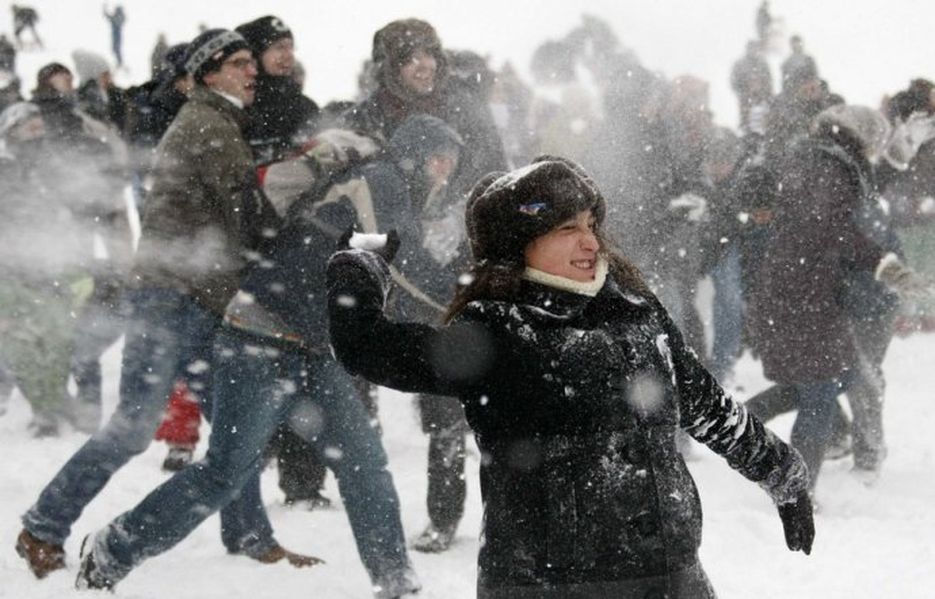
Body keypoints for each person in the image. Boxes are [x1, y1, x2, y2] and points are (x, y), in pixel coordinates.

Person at [327, 156, 814, 598]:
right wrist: (359, 269)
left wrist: (781, 474)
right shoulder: (498, 331)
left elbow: (708, 407)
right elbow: (368, 349)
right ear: (520, 245)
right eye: (566, 228)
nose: (590, 241)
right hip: (549, 586)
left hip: (671, 579)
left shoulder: (638, 313)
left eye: (591, 224)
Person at [15, 28, 293, 579]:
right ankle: (42, 526)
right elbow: (250, 219)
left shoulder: (218, 122)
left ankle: (249, 533)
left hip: (199, 301)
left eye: (249, 62)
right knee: (135, 427)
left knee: (234, 430)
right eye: (238, 63)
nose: (251, 71)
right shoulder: (207, 127)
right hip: (169, 300)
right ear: (209, 73)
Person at [747, 105, 931, 490]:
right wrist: (885, 265)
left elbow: (845, 208)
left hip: (800, 289)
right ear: (860, 139)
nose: (875, 154)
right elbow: (832, 228)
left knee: (838, 378)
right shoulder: (827, 168)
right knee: (820, 393)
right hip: (804, 295)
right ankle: (797, 490)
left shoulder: (822, 161)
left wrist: (896, 161)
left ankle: (739, 418)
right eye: (876, 146)